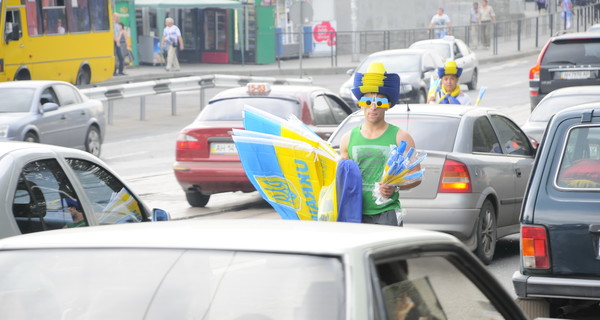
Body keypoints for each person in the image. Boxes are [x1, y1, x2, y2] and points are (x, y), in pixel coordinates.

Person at [339, 62, 421, 227]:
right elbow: (342, 177)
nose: (373, 107)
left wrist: (395, 186)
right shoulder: (347, 138)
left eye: (380, 102)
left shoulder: (401, 137)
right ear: (361, 104)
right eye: (368, 101)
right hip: (355, 213)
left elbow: (417, 175)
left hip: (387, 212)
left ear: (388, 105)